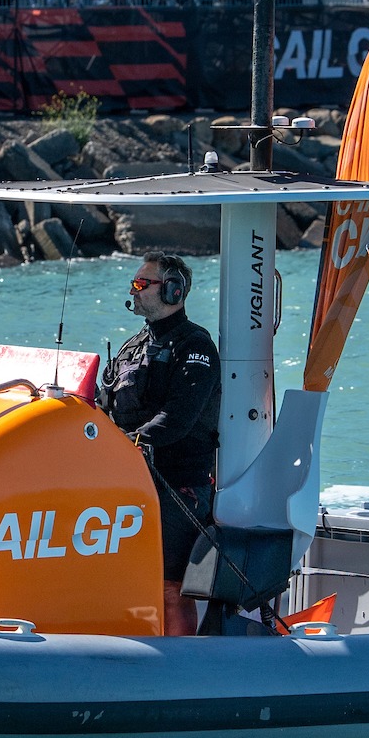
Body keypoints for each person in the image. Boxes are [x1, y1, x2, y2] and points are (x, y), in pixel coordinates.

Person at [101, 253, 219, 636]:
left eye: (141, 284)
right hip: (129, 480)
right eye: (133, 284)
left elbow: (177, 420)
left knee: (170, 587)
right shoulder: (133, 345)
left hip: (176, 485)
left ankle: (182, 668)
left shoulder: (195, 345)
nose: (132, 291)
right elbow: (105, 404)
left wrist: (125, 446)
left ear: (173, 290)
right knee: (126, 581)